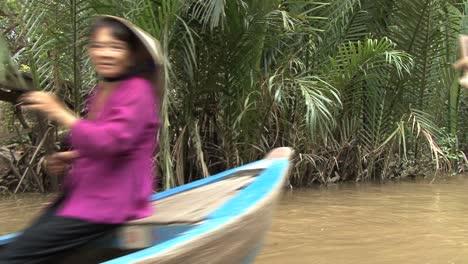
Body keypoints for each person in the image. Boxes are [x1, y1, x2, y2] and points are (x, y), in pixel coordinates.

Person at [0, 15, 163, 264]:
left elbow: (112, 142)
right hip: (82, 194)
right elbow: (109, 144)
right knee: (19, 248)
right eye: (98, 46)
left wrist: (60, 112)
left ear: (131, 55)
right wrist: (73, 156)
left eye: (115, 47)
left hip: (110, 202)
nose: (105, 53)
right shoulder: (101, 91)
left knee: (15, 258)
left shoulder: (138, 91)